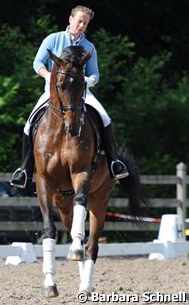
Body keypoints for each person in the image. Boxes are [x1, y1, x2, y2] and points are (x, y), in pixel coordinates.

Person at [10, 5, 129, 188]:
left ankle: (114, 163)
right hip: (54, 93)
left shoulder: (89, 47)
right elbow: (37, 62)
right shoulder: (53, 39)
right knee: (29, 123)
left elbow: (95, 73)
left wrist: (89, 81)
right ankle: (25, 169)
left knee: (105, 118)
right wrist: (48, 75)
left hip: (81, 93)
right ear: (70, 19)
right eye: (79, 21)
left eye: (85, 23)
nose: (81, 25)